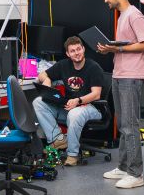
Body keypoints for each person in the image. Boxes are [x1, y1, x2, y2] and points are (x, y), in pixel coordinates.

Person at [96, 0, 144, 189]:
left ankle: (136, 173)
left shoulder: (135, 15)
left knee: (131, 126)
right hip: (119, 74)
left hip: (131, 76)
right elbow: (126, 44)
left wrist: (117, 49)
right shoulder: (121, 17)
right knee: (123, 124)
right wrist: (110, 48)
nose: (106, 0)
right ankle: (123, 166)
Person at [32, 36, 104, 167]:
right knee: (38, 102)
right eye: (72, 51)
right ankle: (58, 139)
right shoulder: (64, 65)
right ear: (68, 54)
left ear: (83, 49)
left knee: (74, 113)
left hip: (90, 107)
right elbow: (42, 74)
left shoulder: (93, 67)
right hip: (69, 107)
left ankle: (72, 154)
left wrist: (78, 100)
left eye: (79, 49)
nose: (77, 53)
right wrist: (47, 80)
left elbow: (96, 94)